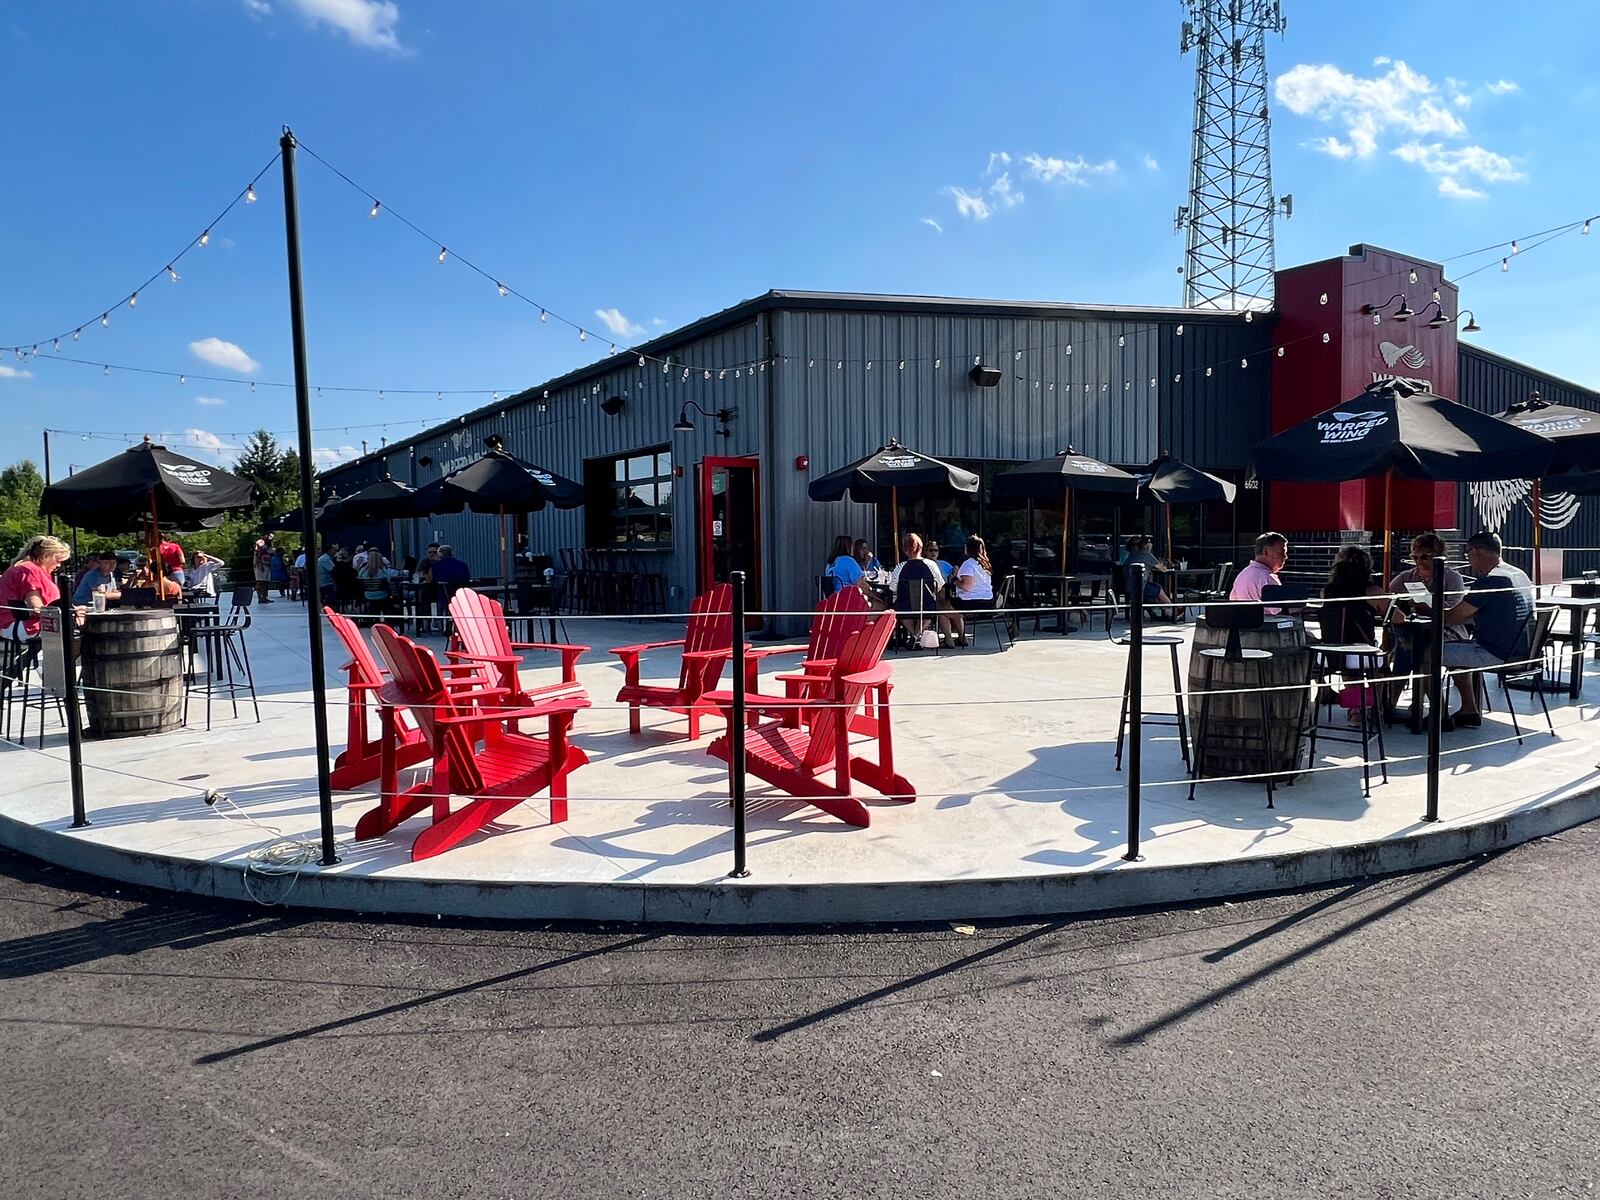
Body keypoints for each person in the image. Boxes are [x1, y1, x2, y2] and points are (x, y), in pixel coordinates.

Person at [1440, 531, 1535, 731]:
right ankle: (1468, 710)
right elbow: (1480, 613)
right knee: (1456, 650)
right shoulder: (1519, 574)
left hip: (1496, 653)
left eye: (1468, 554)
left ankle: (1438, 716)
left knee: (1425, 653)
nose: (1468, 559)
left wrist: (1422, 608)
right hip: (1524, 653)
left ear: (1476, 551)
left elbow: (1451, 618)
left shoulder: (1490, 580)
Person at [1, 536, 76, 671]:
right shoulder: (29, 571)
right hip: (22, 625)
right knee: (80, 633)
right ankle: (63, 677)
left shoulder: (21, 567)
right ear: (46, 556)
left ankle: (59, 676)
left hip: (11, 624)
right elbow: (35, 608)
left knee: (75, 629)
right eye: (58, 560)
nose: (59, 565)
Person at [1230, 532, 1289, 609]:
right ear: (1266, 551)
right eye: (1281, 552)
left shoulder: (1242, 575)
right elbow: (1279, 610)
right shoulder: (1267, 578)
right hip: (1264, 620)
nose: (1285, 557)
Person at [1122, 536, 1176, 613]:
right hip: (1140, 587)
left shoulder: (1130, 556)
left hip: (1128, 588)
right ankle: (1172, 610)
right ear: (1144, 545)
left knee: (1153, 589)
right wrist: (1149, 551)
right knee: (1158, 589)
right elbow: (1163, 569)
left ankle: (1166, 611)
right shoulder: (1145, 555)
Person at [359, 547, 392, 614]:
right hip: (383, 596)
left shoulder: (362, 571)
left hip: (368, 596)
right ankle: (387, 618)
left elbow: (359, 583)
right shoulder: (384, 571)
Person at [252, 535, 274, 604]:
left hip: (266, 565)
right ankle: (260, 597)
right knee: (260, 581)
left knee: (265, 582)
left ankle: (264, 597)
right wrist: (261, 565)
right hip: (260, 565)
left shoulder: (269, 545)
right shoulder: (261, 542)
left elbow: (270, 553)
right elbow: (258, 554)